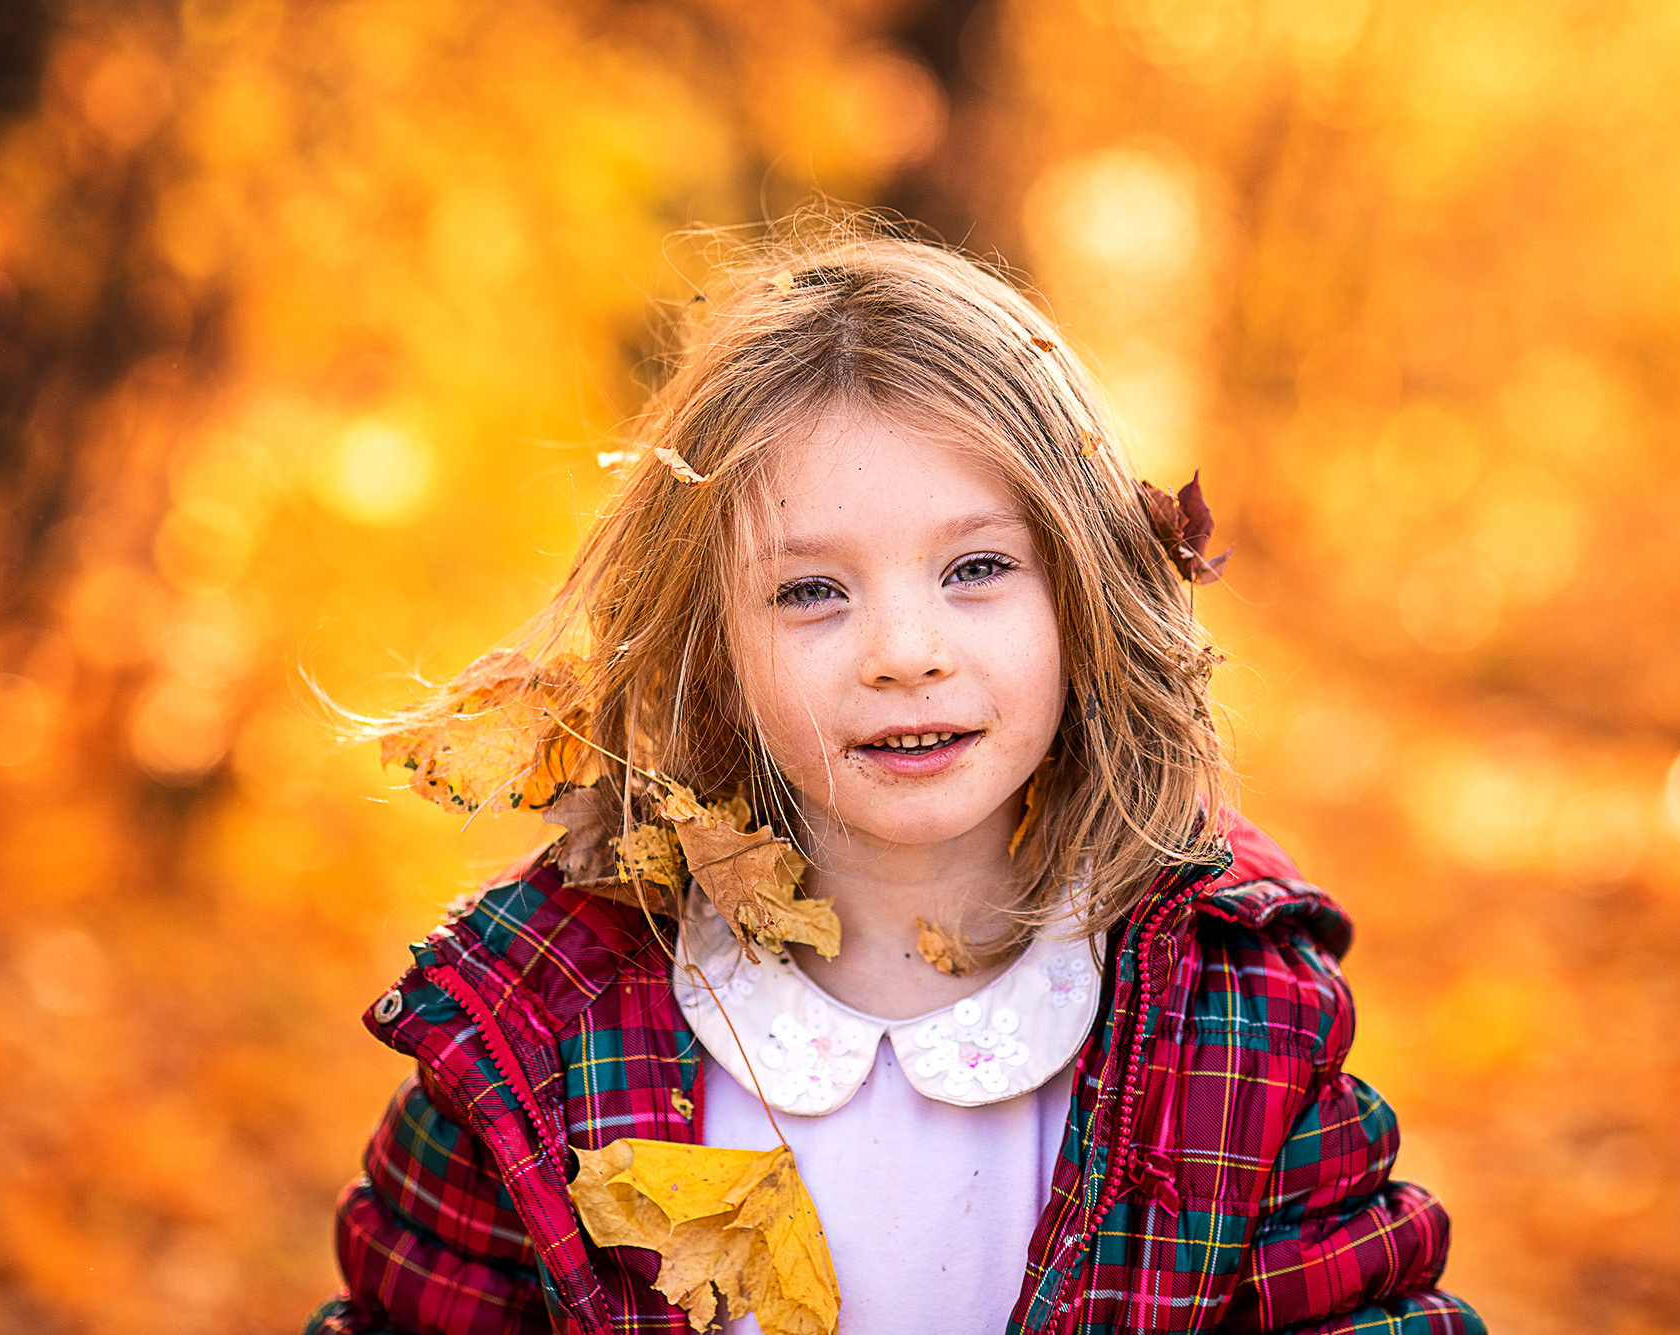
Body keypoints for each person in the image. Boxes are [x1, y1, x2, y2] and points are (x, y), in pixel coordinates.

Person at [307, 227, 1483, 1335]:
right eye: (811, 591)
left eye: (975, 567)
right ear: (710, 655)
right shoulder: (538, 1014)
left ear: (1079, 600)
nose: (904, 651)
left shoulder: (1223, 1012)